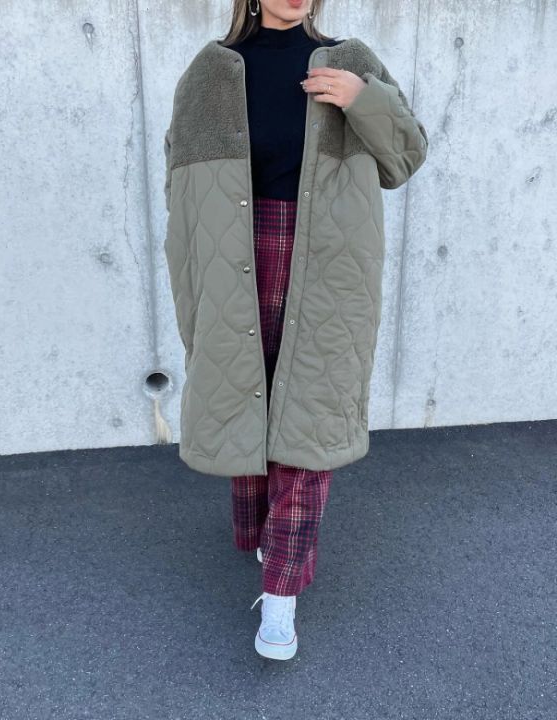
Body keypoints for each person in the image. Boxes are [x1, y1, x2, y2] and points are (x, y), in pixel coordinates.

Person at [163, 0, 428, 661]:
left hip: (327, 264)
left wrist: (364, 100)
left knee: (309, 413)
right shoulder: (211, 71)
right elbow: (181, 190)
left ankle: (280, 593)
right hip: (233, 261)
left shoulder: (350, 60)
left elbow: (405, 158)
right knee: (247, 401)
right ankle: (259, 530)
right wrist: (191, 280)